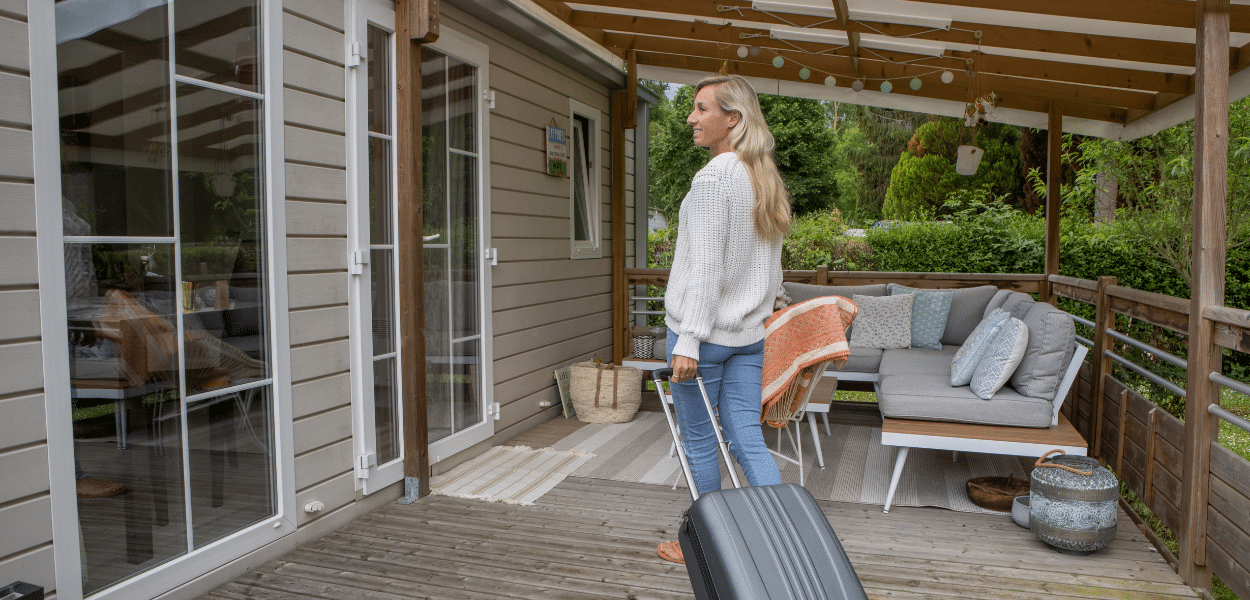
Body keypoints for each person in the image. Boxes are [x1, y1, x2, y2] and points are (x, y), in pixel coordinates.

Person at [656, 75, 791, 565]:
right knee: (746, 437)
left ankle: (705, 549)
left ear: (732, 118)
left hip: (704, 336)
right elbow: (772, 268)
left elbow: (708, 265)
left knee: (699, 441)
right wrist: (762, 313)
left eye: (701, 109)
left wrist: (688, 339)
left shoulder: (714, 177)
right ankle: (782, 540)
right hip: (747, 338)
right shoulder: (763, 175)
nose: (691, 117)